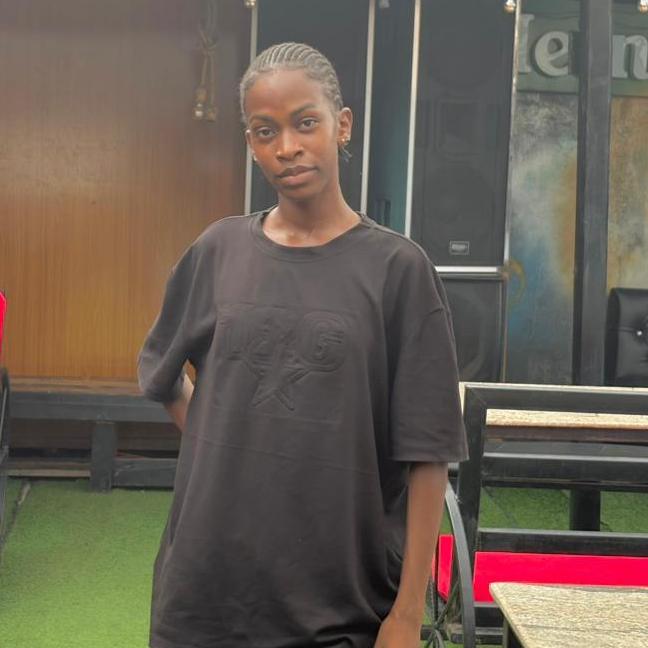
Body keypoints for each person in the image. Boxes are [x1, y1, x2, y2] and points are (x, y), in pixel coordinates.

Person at [138, 42, 467, 648]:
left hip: (340, 604)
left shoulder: (398, 271)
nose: (286, 146)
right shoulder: (218, 251)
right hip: (203, 595)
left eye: (305, 122)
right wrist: (226, 444)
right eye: (265, 131)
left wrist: (405, 615)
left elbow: (429, 454)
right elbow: (161, 372)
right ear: (251, 143)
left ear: (343, 125)